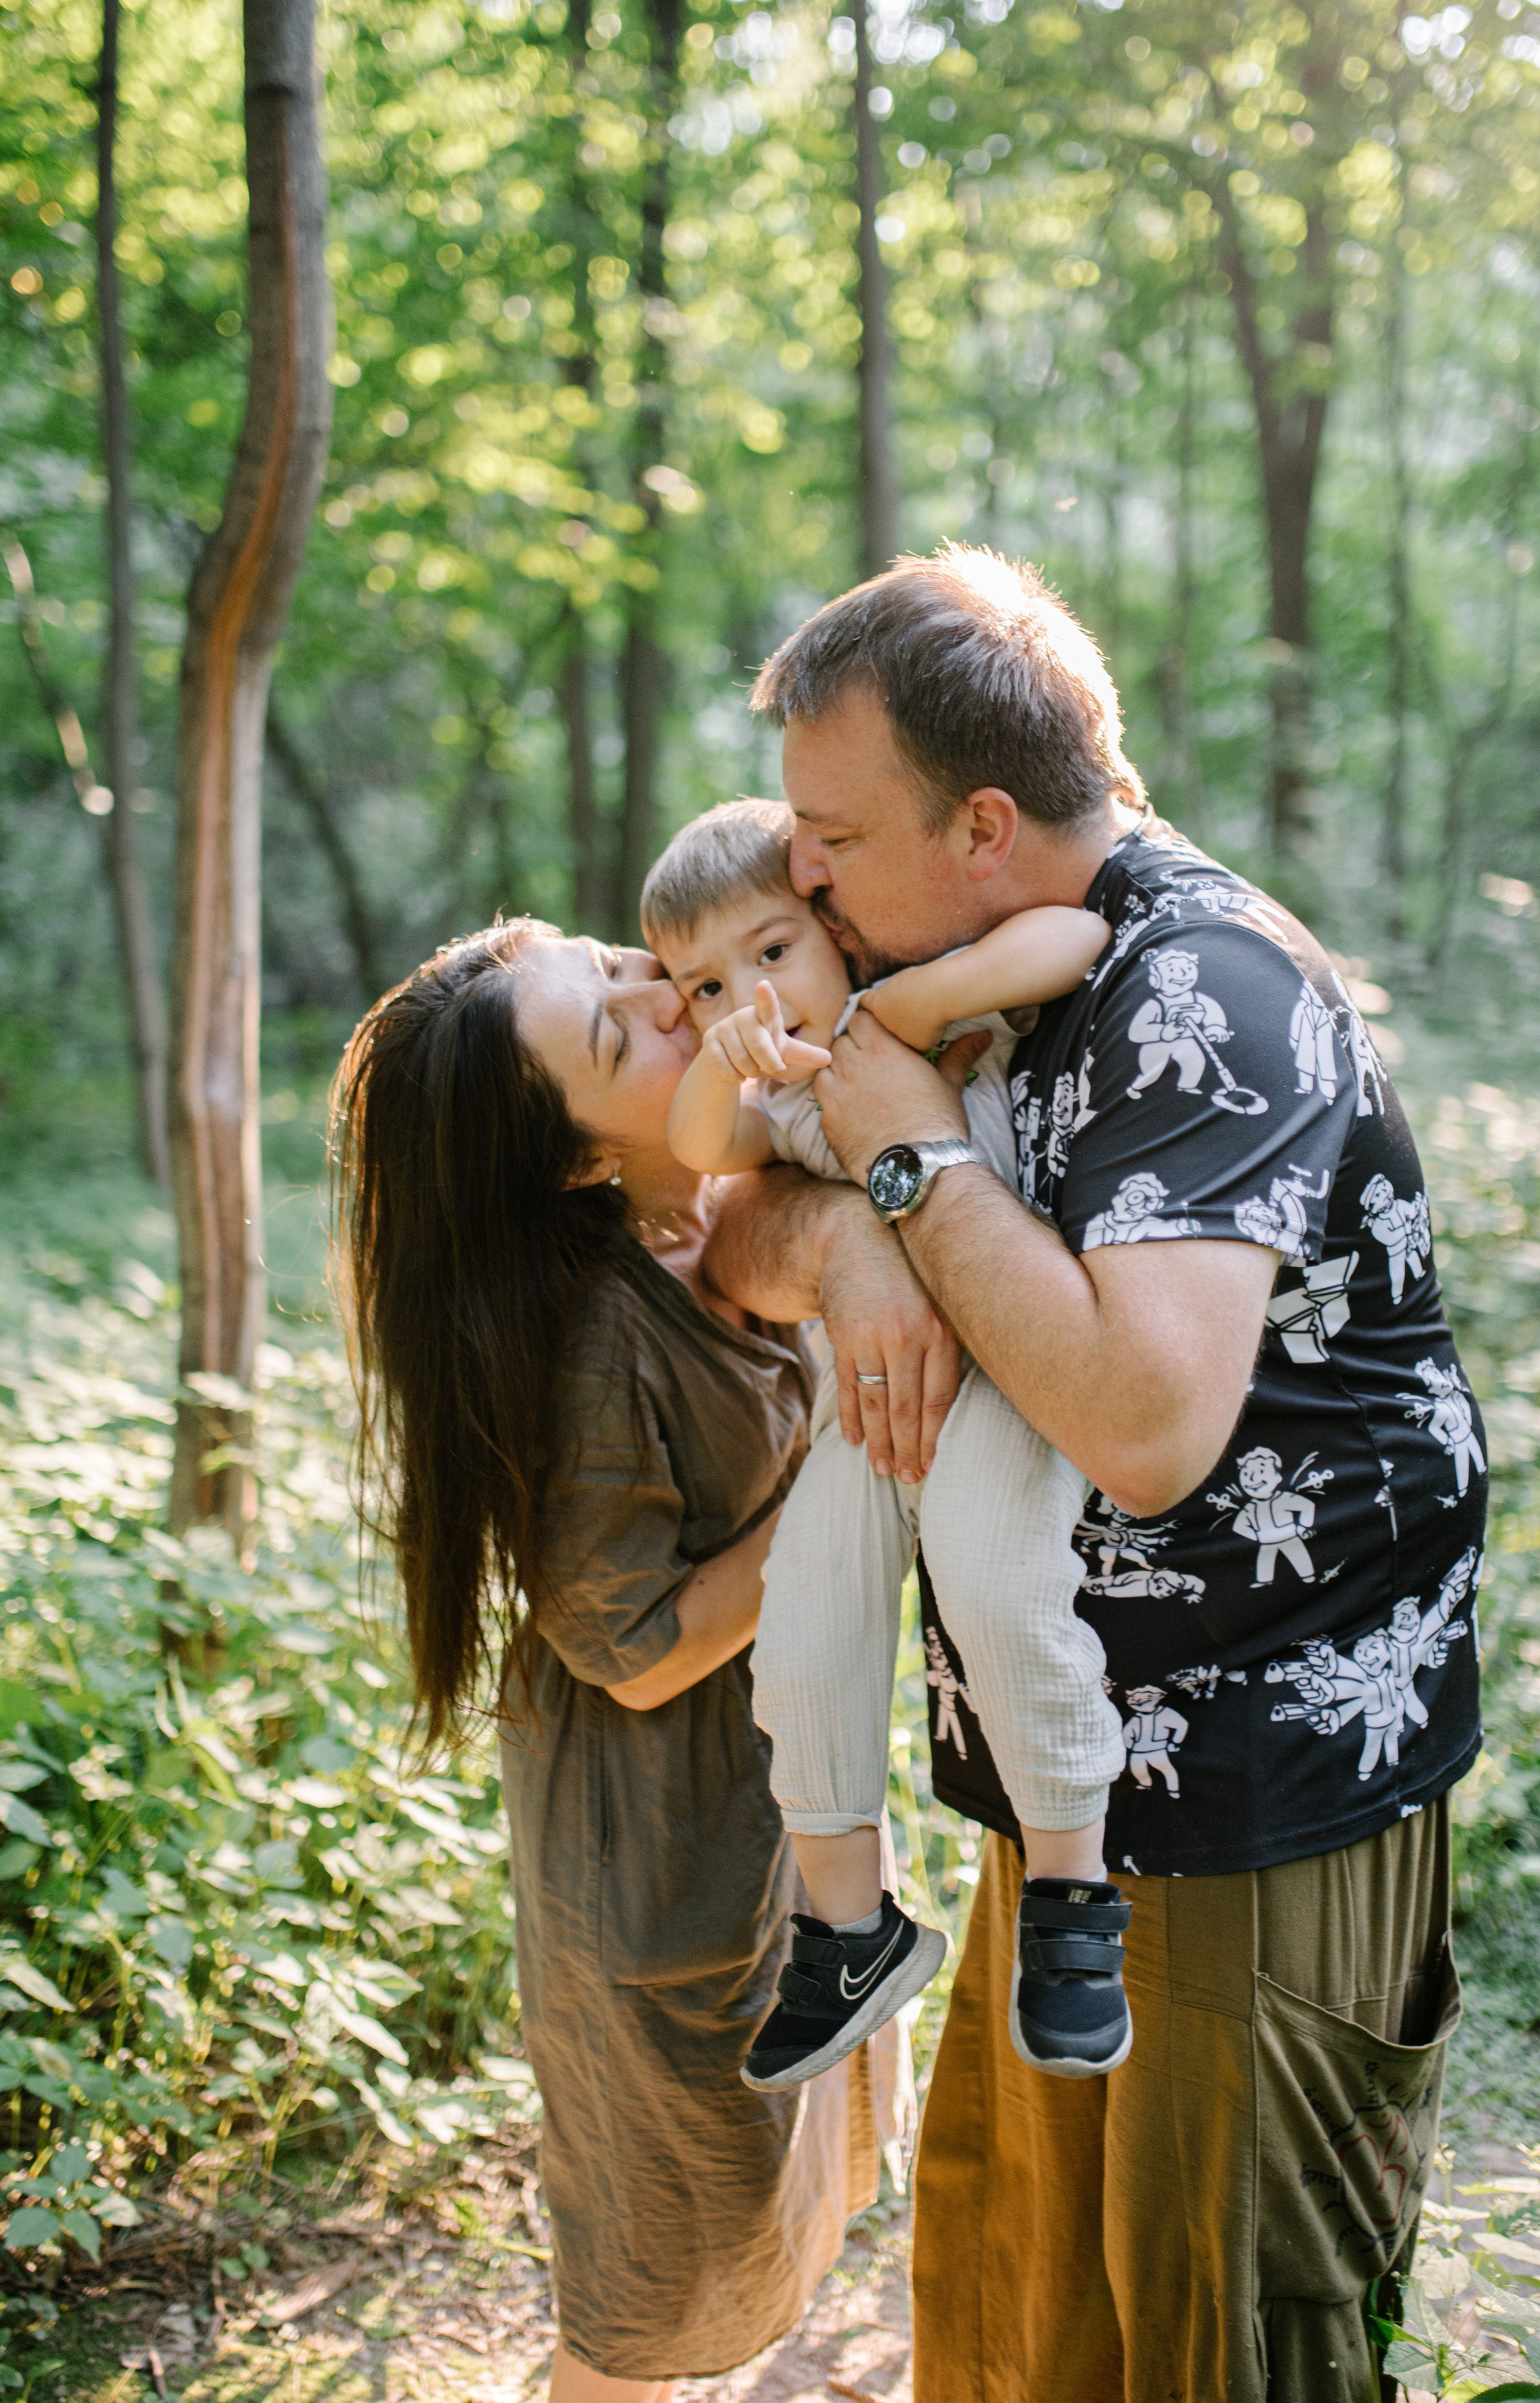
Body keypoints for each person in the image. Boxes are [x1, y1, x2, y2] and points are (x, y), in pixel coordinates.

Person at [704, 543, 1483, 2402]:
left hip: (1257, 1792)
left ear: (983, 825)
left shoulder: (1204, 991)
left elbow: (1142, 1430)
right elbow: (724, 1228)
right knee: (1021, 2324)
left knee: (1213, 2339)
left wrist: (905, 1167)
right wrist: (861, 1235)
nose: (796, 872)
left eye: (833, 835)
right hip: (1066, 1808)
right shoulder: (938, 964)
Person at [327, 919, 945, 2402]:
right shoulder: (600, 1336)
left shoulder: (709, 1209)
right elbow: (640, 1646)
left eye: (611, 961)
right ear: (577, 1162)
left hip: (765, 1813)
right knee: (653, 2281)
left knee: (754, 2211)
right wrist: (863, 1475)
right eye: (615, 1034)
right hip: (662, 1857)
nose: (661, 991)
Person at [640, 799, 1130, 2091]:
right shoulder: (773, 1095)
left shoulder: (908, 1011)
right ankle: (849, 1930)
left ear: (834, 930)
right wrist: (723, 1053)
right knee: (801, 1627)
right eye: (702, 983)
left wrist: (903, 1010)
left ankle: (1074, 1904)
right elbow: (701, 1146)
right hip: (881, 1399)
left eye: (770, 953)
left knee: (991, 1579)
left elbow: (1074, 934)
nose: (746, 995)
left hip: (1013, 1368)